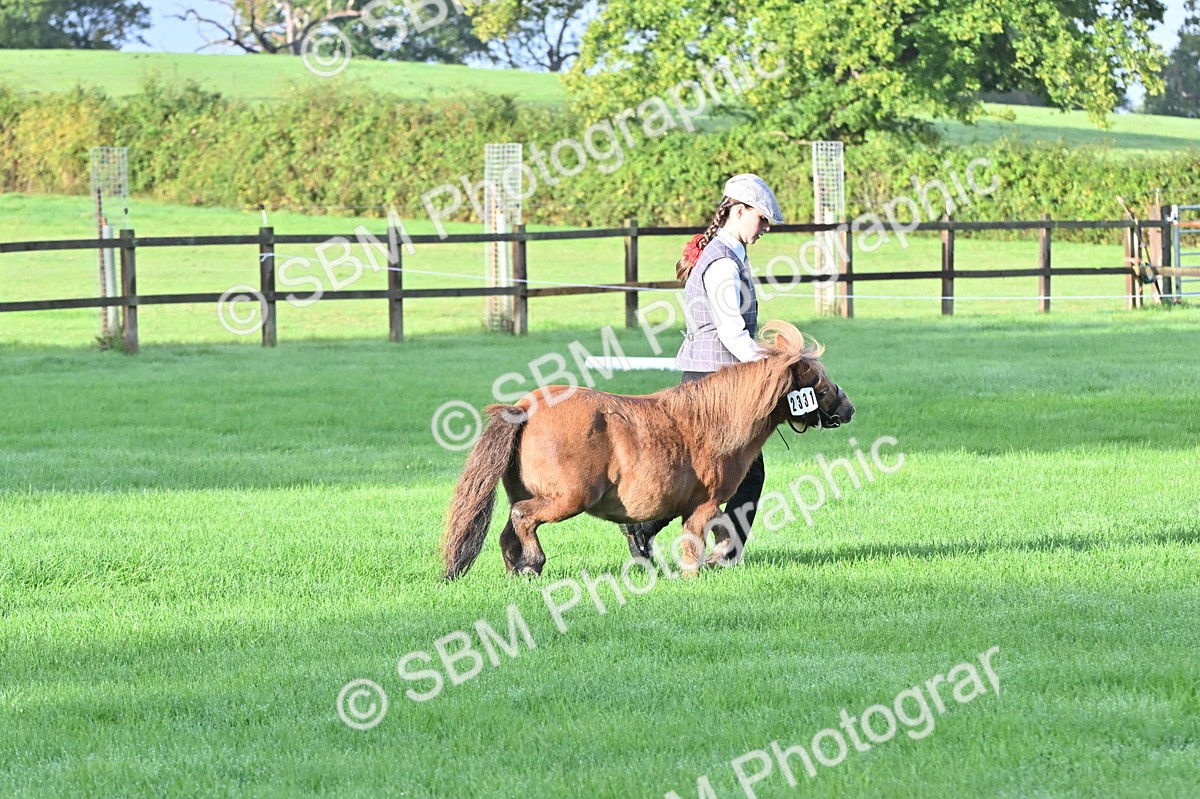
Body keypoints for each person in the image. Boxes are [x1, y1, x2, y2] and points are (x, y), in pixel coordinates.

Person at [621, 173, 784, 565]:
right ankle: (721, 551)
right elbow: (732, 333)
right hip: (715, 384)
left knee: (708, 473)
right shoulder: (722, 264)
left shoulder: (726, 254)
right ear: (738, 211)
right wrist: (774, 366)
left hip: (711, 379)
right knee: (732, 474)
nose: (764, 229)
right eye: (761, 219)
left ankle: (666, 534)